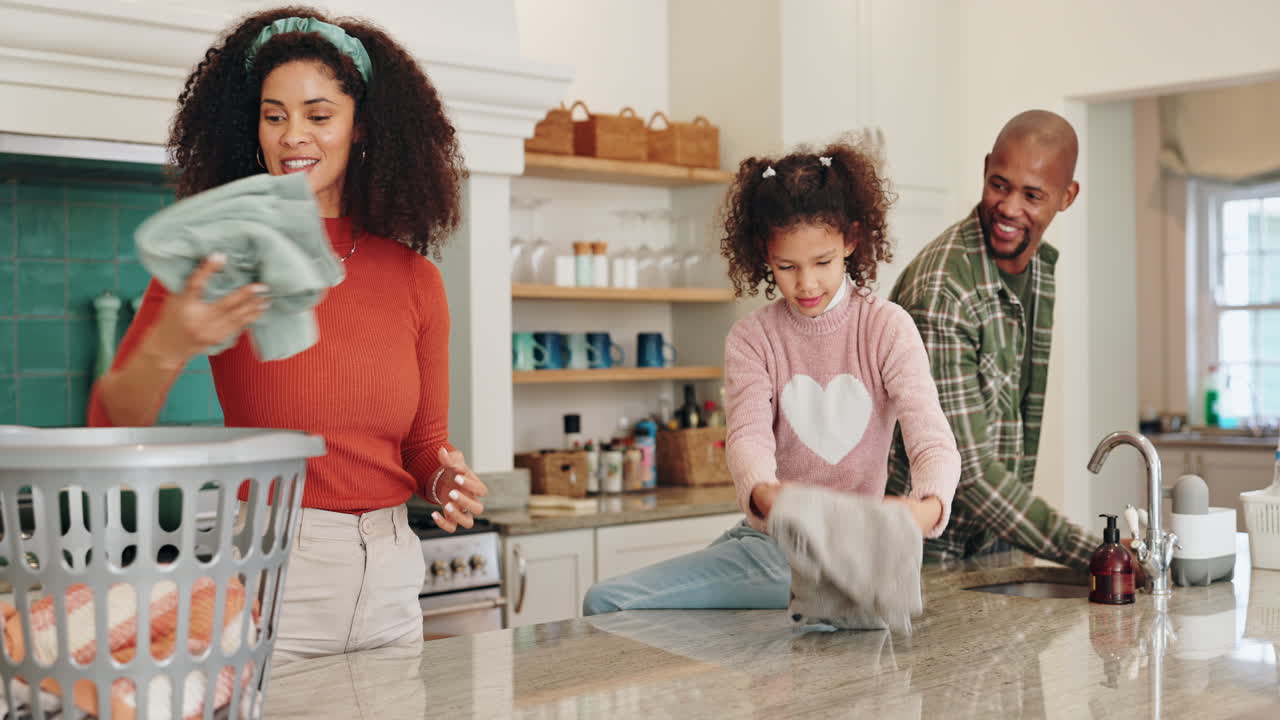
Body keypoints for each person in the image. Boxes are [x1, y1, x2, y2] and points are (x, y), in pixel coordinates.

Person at [88, 7, 488, 662]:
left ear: (361, 129)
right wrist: (171, 343)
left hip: (392, 572)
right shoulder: (219, 256)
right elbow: (110, 419)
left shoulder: (415, 278)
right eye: (275, 115)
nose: (292, 135)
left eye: (318, 115)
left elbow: (424, 446)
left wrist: (445, 484)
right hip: (277, 567)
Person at [582, 141, 961, 615]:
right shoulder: (752, 338)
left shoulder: (886, 327)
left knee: (607, 602)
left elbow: (931, 439)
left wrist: (924, 510)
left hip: (843, 555)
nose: (806, 284)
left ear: (851, 240)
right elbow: (747, 438)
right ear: (763, 253)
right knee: (611, 602)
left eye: (822, 262)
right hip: (771, 543)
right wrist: (764, 491)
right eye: (787, 267)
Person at [886, 109, 1099, 570]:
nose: (1009, 208)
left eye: (1032, 194)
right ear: (985, 169)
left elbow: (1020, 421)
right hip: (922, 555)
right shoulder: (943, 290)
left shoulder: (1038, 268)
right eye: (999, 185)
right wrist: (1093, 554)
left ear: (1067, 197)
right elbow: (970, 473)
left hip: (990, 550)